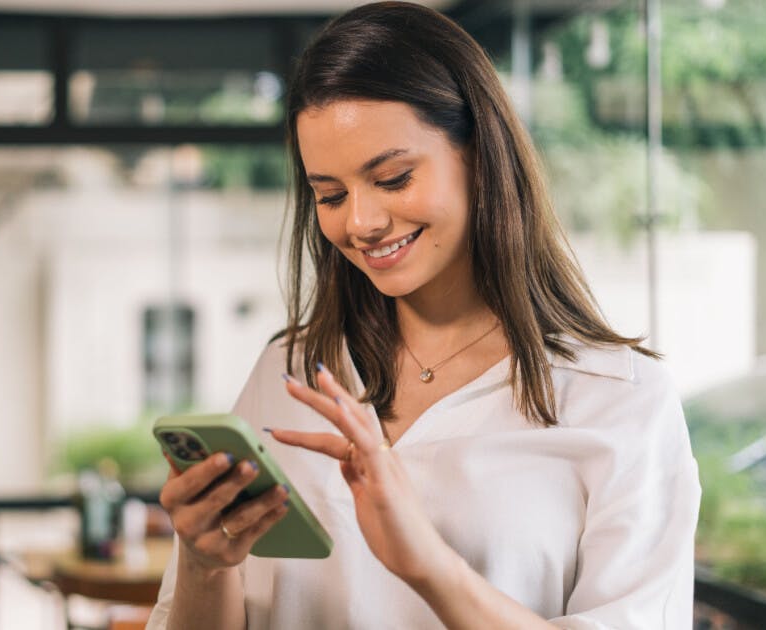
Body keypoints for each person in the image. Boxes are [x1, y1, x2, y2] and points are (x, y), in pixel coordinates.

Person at [147, 2, 701, 628]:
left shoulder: (620, 401)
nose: (360, 222)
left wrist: (430, 567)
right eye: (330, 194)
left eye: (392, 178)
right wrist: (204, 563)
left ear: (479, 155)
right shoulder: (289, 372)